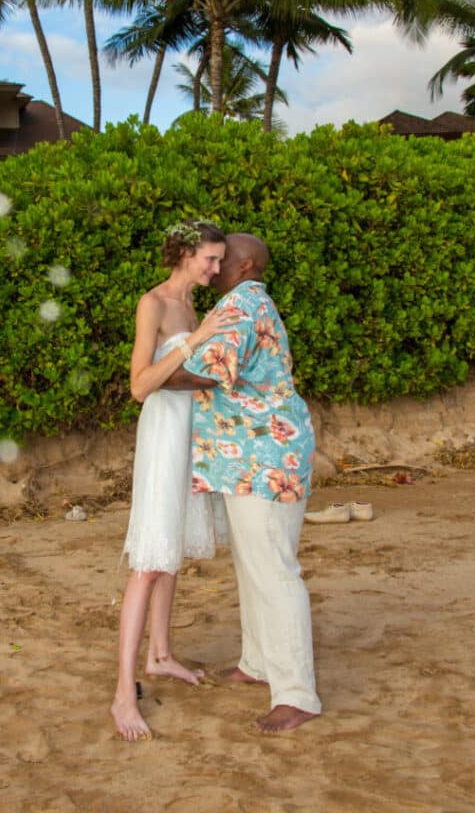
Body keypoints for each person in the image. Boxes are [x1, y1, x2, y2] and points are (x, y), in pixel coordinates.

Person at [171, 232, 321, 732]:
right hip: (254, 458)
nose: (212, 269)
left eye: (222, 259)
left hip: (265, 459)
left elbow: (210, 373)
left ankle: (297, 693)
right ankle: (258, 664)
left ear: (247, 264)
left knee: (274, 570)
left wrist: (153, 375)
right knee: (255, 565)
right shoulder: (248, 301)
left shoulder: (242, 304)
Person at [111, 220, 235, 742]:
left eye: (220, 259)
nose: (216, 268)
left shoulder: (195, 307)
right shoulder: (155, 304)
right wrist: (196, 343)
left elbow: (188, 376)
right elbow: (141, 385)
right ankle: (122, 693)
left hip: (193, 433)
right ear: (185, 253)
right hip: (163, 434)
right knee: (149, 561)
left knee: (175, 550)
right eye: (209, 258)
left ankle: (161, 655)